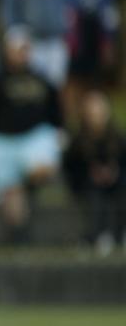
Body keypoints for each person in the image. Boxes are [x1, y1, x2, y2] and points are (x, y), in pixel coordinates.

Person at [0, 28, 64, 243]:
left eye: (25, 49)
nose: (21, 54)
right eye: (17, 49)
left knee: (42, 169)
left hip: (35, 139)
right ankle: (19, 238)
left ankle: (25, 186)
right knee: (13, 197)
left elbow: (56, 113)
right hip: (4, 142)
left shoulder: (42, 79)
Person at [55, 0, 119, 123]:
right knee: (70, 86)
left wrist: (109, 42)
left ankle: (91, 123)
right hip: (73, 41)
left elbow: (109, 15)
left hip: (94, 41)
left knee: (93, 88)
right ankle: (69, 125)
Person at [61, 91, 125, 255]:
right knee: (95, 198)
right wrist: (91, 175)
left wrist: (114, 173)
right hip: (88, 187)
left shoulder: (118, 139)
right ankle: (96, 235)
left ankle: (119, 234)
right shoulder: (77, 142)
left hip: (117, 185)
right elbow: (71, 171)